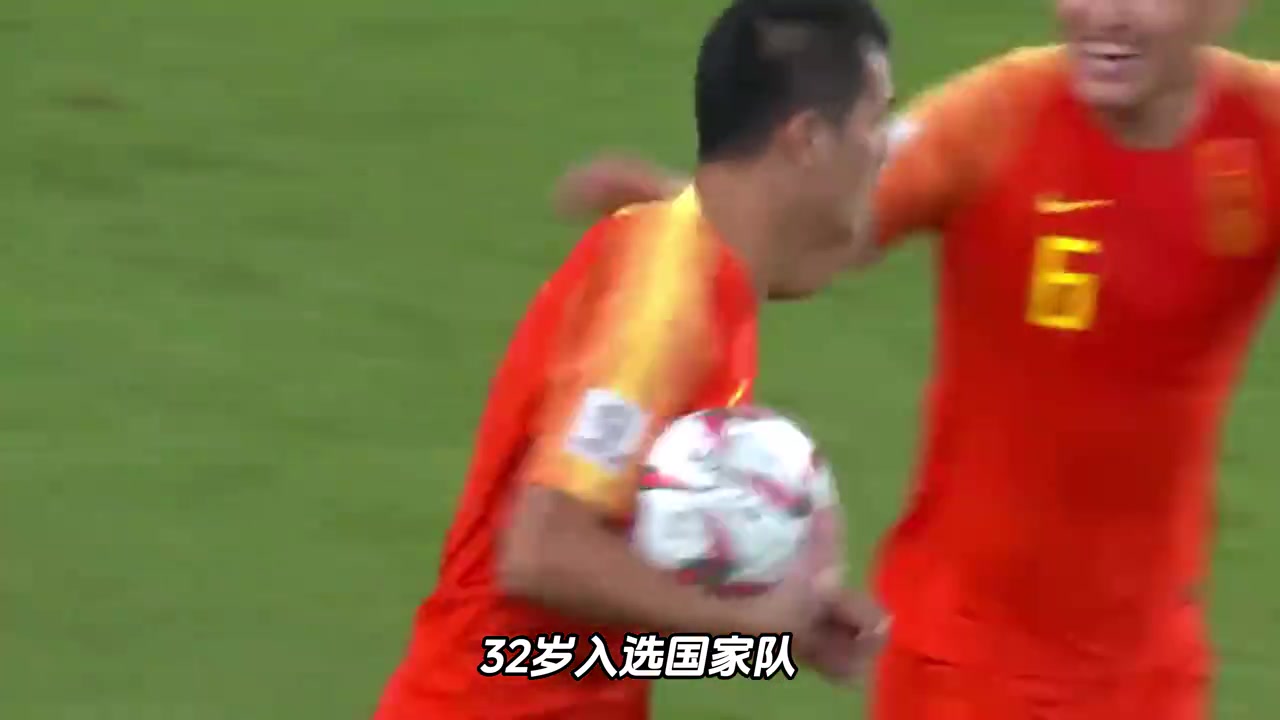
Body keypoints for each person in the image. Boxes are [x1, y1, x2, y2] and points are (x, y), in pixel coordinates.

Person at [551, 1, 1280, 718]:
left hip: (1150, 676)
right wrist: (690, 220)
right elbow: (816, 242)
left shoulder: (1262, 131)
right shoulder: (998, 114)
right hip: (962, 667)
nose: (1103, 14)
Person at [371, 1, 896, 718]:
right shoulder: (664, 298)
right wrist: (747, 622)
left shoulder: (712, 272)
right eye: (874, 120)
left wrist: (783, 632)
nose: (884, 149)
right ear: (806, 139)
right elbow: (543, 551)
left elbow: (601, 645)